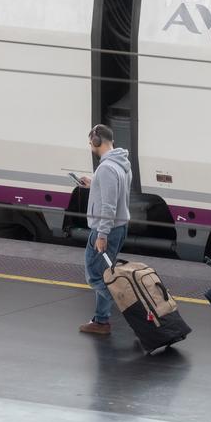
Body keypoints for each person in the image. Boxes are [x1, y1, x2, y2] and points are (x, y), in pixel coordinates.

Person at [78, 124, 132, 335]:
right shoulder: (121, 164)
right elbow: (115, 194)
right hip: (119, 226)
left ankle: (134, 309)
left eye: (90, 141)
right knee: (105, 275)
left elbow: (109, 205)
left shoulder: (107, 168)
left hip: (106, 229)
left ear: (96, 140)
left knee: (94, 277)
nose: (90, 145)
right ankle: (101, 321)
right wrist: (94, 183)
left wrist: (102, 235)